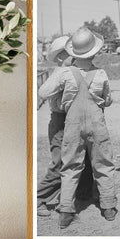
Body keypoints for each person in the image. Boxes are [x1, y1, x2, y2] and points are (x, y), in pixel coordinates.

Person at [55, 27, 117, 228]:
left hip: (72, 125)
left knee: (70, 167)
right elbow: (107, 101)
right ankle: (108, 207)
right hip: (97, 123)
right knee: (104, 165)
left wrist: (59, 103)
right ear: (95, 51)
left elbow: (43, 91)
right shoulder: (101, 74)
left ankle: (65, 211)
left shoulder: (65, 73)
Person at [37, 37, 93, 216]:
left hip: (75, 118)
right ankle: (39, 199)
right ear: (61, 56)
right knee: (60, 162)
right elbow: (43, 92)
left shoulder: (75, 71)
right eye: (70, 54)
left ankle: (82, 194)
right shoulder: (60, 72)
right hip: (61, 120)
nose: (75, 57)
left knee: (83, 157)